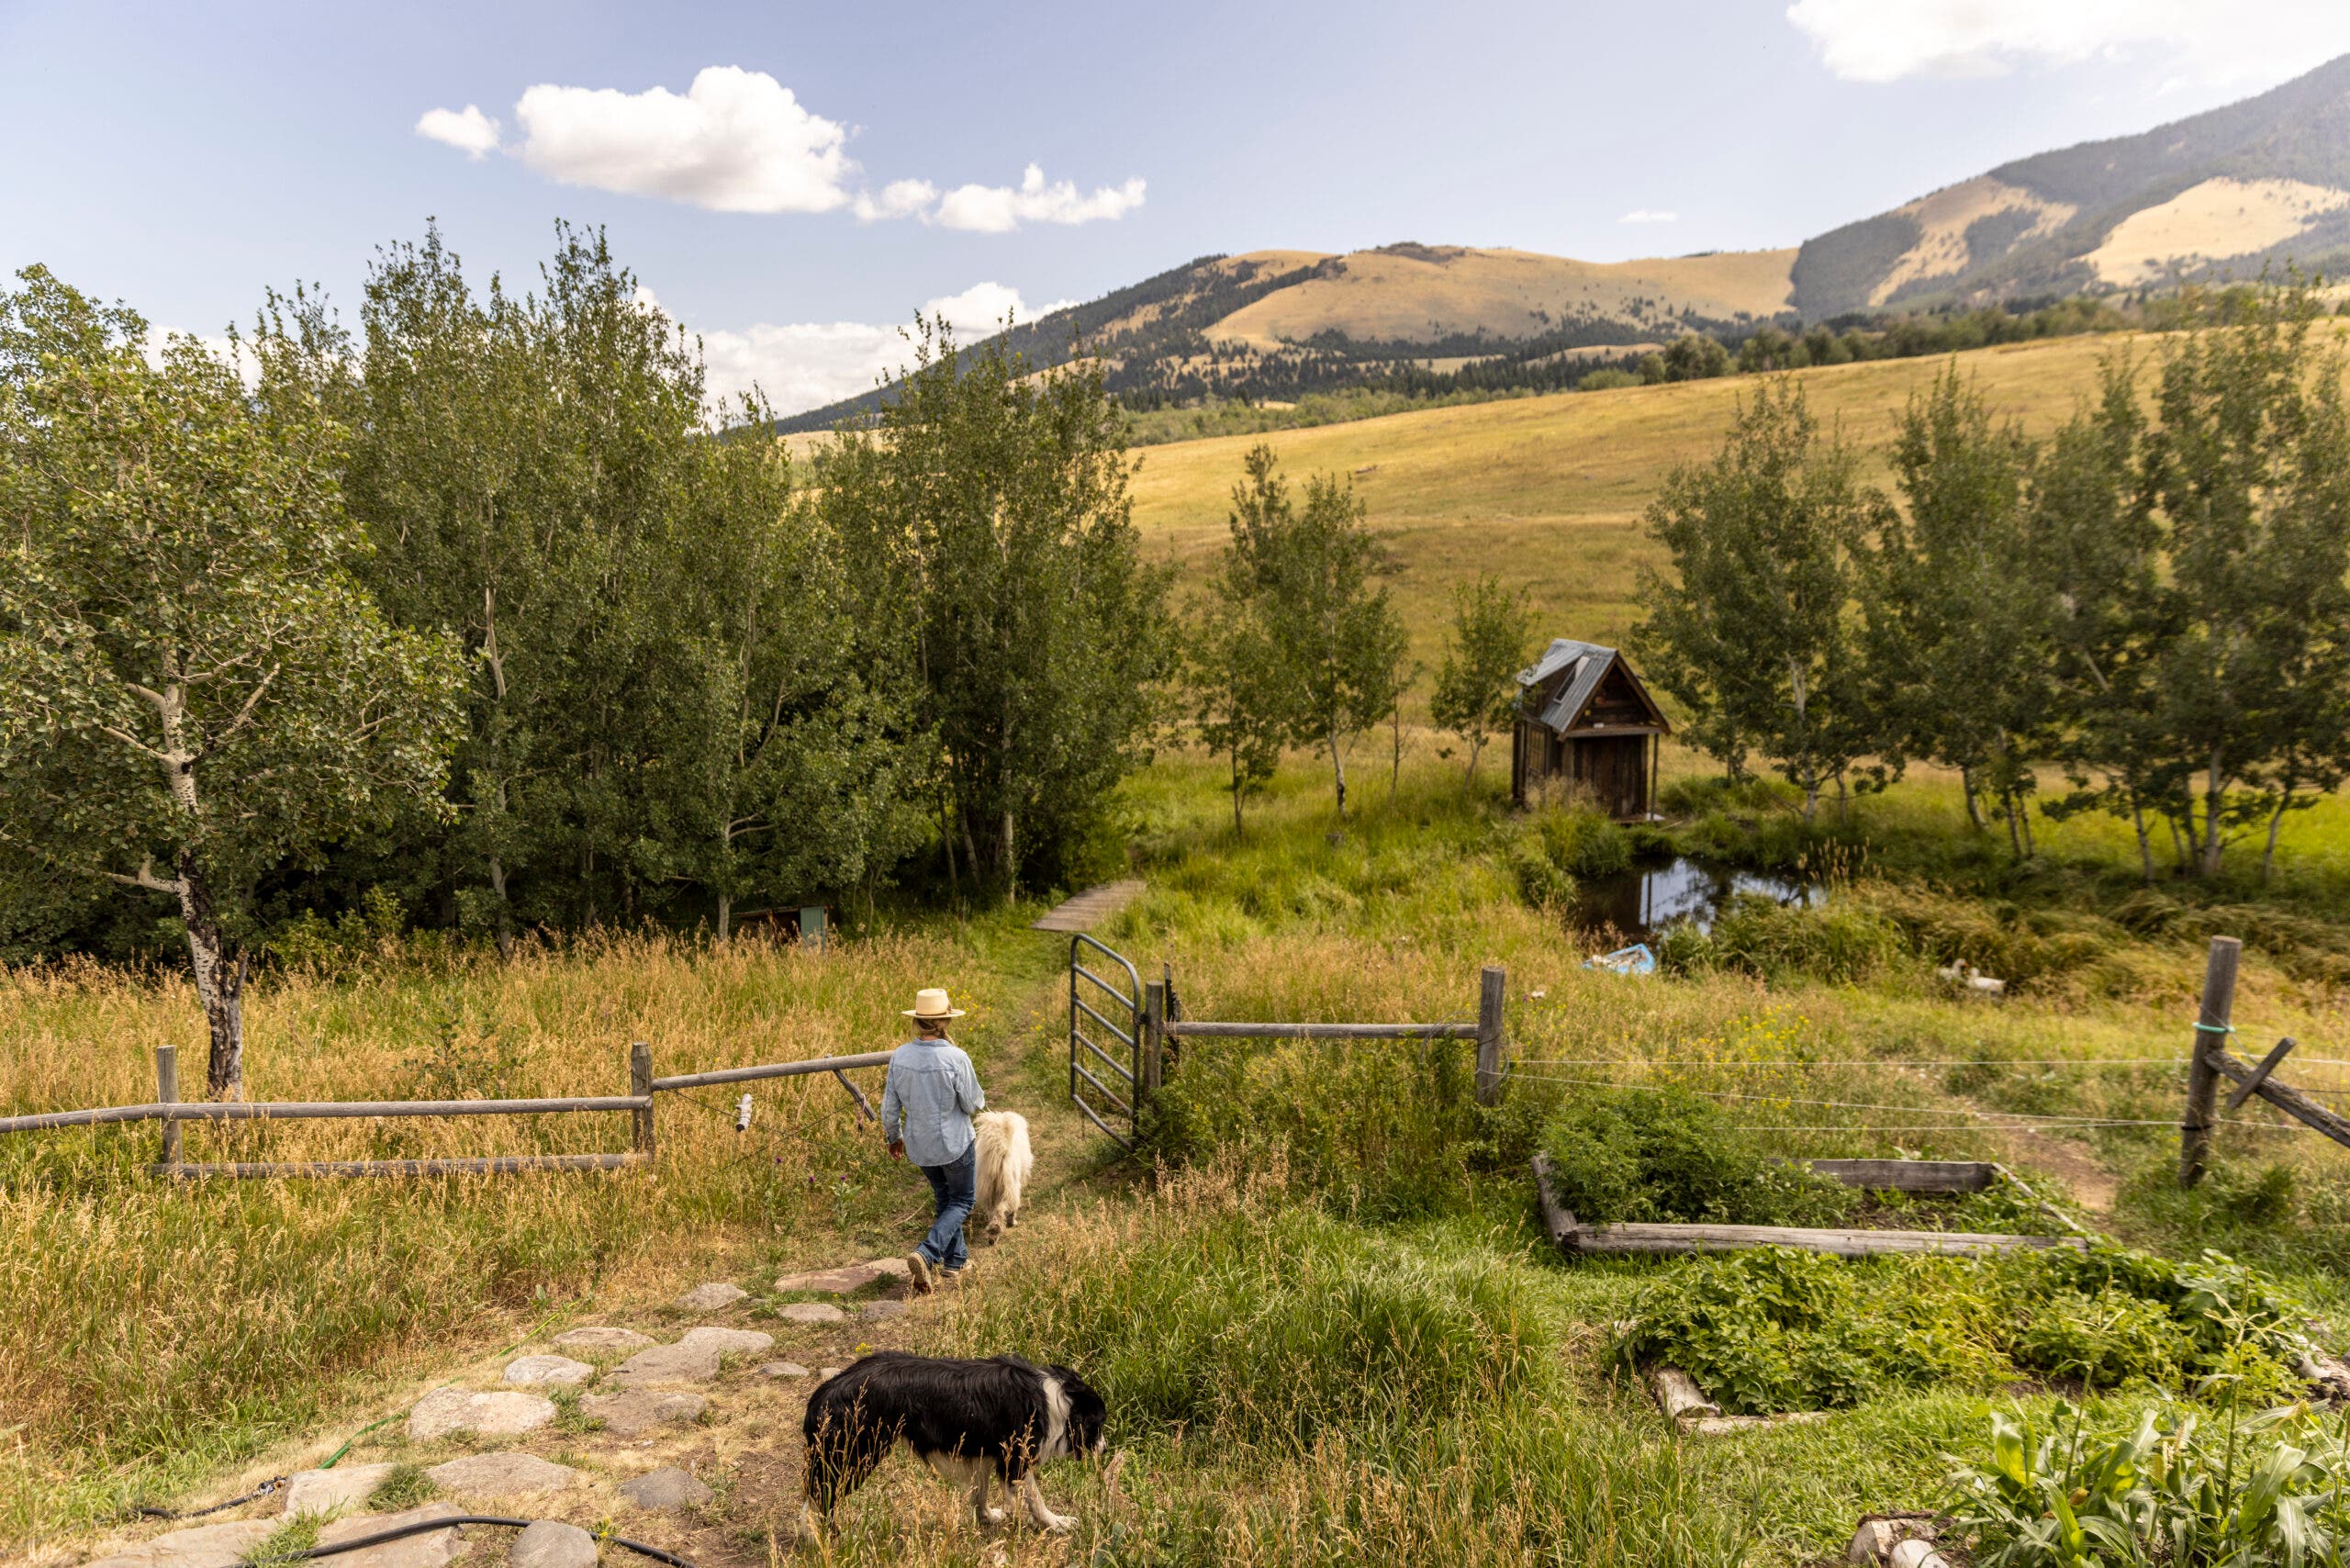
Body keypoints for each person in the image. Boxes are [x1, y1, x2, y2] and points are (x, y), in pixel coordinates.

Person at [878, 987, 986, 1292]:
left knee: (944, 1198)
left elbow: (889, 1107)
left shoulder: (900, 1055)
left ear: (918, 1021)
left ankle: (956, 1262)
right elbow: (971, 1103)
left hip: (920, 1146)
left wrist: (894, 1137)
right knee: (964, 1200)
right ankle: (927, 1253)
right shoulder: (956, 1057)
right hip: (954, 1143)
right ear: (943, 1022)